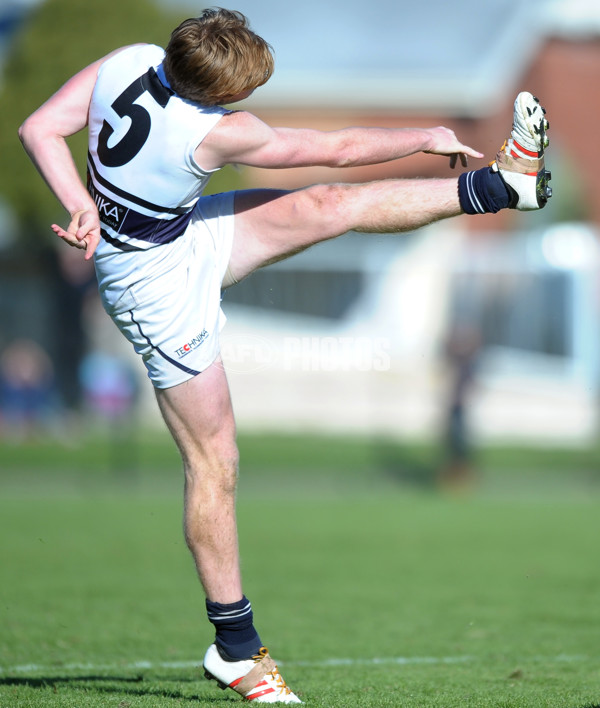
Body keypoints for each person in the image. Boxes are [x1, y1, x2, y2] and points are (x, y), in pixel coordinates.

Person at [19, 8, 551, 703]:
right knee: (215, 463)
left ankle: (499, 187)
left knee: (326, 206)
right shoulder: (214, 132)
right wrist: (426, 133)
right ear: (218, 91)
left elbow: (39, 127)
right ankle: (236, 650)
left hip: (172, 233)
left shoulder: (131, 58)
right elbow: (336, 146)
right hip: (154, 286)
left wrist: (78, 201)